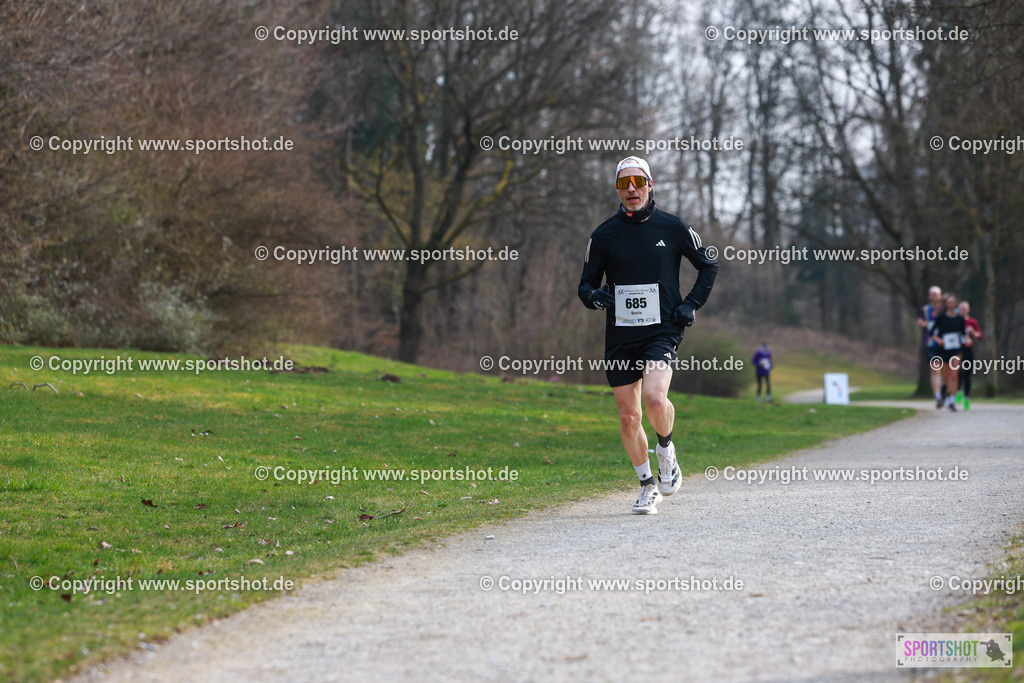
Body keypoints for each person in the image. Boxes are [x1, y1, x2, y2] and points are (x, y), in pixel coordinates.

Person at [579, 156, 718, 514]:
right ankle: (646, 486)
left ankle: (666, 450)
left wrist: (691, 305)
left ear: (650, 185)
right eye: (624, 184)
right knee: (629, 417)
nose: (631, 190)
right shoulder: (604, 235)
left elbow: (708, 265)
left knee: (656, 399)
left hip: (662, 328)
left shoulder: (673, 227)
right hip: (621, 333)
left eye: (638, 182)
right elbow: (586, 285)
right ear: (617, 189)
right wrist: (595, 297)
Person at [930, 293, 965, 412]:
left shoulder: (960, 319)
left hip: (956, 349)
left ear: (955, 303)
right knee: (945, 377)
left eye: (953, 302)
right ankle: (944, 391)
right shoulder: (941, 318)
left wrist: (968, 339)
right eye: (948, 302)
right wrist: (938, 340)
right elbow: (932, 333)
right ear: (946, 304)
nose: (950, 304)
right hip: (943, 350)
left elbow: (963, 334)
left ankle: (952, 402)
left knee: (954, 374)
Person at [917, 286, 944, 406]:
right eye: (932, 294)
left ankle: (947, 393)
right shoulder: (925, 309)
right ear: (929, 296)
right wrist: (922, 323)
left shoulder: (946, 308)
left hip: (946, 343)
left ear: (940, 296)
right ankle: (937, 396)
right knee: (935, 369)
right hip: (931, 343)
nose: (934, 296)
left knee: (947, 370)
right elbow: (921, 321)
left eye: (936, 294)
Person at [957, 300, 983, 410]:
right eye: (961, 309)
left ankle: (966, 398)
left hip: (968, 350)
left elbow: (979, 336)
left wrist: (973, 333)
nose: (963, 311)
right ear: (958, 310)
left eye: (965, 309)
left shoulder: (972, 321)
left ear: (968, 310)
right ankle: (958, 391)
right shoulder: (955, 321)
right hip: (957, 350)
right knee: (958, 373)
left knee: (968, 374)